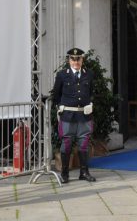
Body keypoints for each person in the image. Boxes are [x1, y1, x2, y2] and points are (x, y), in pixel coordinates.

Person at [52, 47, 96, 183]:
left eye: (78, 59)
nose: (76, 61)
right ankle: (65, 174)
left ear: (82, 60)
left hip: (84, 115)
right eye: (73, 59)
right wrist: (61, 108)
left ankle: (84, 172)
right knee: (66, 144)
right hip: (68, 116)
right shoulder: (62, 75)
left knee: (83, 144)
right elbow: (56, 95)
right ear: (69, 60)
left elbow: (91, 92)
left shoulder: (89, 74)